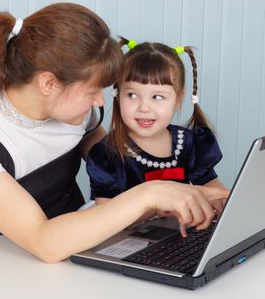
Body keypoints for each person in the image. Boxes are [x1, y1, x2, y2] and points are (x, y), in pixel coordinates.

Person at [0, 3, 223, 263]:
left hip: (83, 250)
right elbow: (43, 241)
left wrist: (186, 191)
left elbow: (116, 163)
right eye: (92, 90)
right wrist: (151, 194)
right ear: (48, 83)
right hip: (8, 265)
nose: (100, 101)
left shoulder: (74, 111)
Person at [86, 38, 230, 236]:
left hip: (176, 236)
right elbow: (105, 216)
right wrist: (156, 208)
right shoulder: (108, 154)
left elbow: (210, 186)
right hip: (126, 241)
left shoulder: (190, 143)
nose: (144, 107)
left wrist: (224, 202)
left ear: (178, 99)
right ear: (118, 95)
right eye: (132, 95)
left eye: (157, 97)